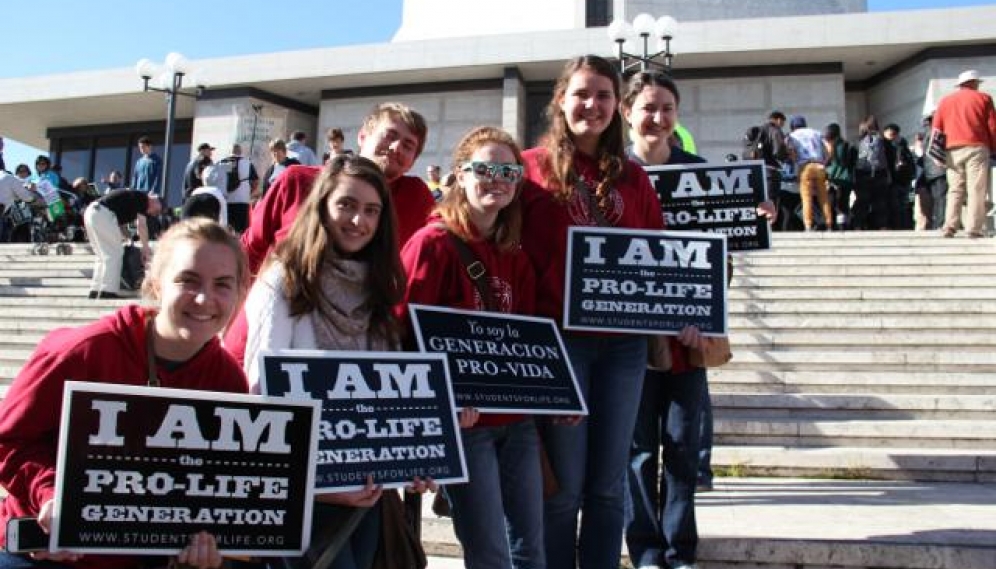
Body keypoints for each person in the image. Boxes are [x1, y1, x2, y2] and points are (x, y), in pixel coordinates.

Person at [0, 218, 249, 569]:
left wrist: (205, 537)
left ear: (241, 292)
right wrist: (53, 495)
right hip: (48, 552)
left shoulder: (228, 380)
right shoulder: (81, 350)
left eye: (223, 284)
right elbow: (10, 439)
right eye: (187, 280)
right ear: (156, 284)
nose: (204, 298)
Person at [242, 155, 429, 569]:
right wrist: (314, 486)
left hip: (366, 488)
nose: (358, 220)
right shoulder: (284, 279)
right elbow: (261, 390)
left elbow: (392, 390)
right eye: (346, 204)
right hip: (303, 490)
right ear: (323, 205)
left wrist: (415, 458)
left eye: (371, 210)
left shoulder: (381, 287)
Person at [518, 55, 665, 569]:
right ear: (560, 100)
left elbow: (657, 257)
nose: (592, 105)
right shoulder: (529, 166)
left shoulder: (634, 178)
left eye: (604, 95)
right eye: (582, 94)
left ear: (616, 106)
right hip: (558, 344)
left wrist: (687, 303)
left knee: (607, 486)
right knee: (563, 486)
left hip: (623, 346)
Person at [398, 126, 543, 569]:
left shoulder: (515, 255)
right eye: (484, 168)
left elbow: (528, 336)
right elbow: (405, 337)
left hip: (516, 422)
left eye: (507, 171)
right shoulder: (432, 244)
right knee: (490, 554)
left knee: (531, 551)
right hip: (465, 425)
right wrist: (435, 412)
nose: (496, 179)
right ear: (459, 175)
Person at [933, 69, 996, 238]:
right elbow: (992, 126)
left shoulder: (945, 101)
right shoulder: (984, 98)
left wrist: (936, 155)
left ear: (960, 85)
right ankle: (973, 228)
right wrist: (993, 148)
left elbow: (937, 129)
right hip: (977, 146)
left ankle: (949, 226)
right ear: (974, 83)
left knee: (955, 188)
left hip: (952, 149)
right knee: (976, 188)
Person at [82, 189, 161, 299]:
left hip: (92, 212)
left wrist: (127, 238)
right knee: (114, 254)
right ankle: (108, 292)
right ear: (153, 200)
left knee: (103, 255)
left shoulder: (132, 198)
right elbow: (141, 226)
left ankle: (96, 290)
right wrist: (145, 248)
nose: (152, 214)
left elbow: (119, 223)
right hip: (102, 213)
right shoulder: (143, 199)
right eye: (156, 211)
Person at [786, 115, 833, 232]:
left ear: (793, 126)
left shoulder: (792, 136)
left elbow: (791, 151)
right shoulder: (816, 132)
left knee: (806, 197)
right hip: (819, 165)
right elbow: (829, 147)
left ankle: (808, 225)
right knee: (823, 197)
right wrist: (825, 161)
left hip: (805, 166)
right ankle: (829, 224)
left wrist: (795, 161)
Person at [852, 115, 891, 230]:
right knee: (880, 201)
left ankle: (858, 224)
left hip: (862, 174)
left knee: (862, 200)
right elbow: (890, 158)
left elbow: (852, 160)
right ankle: (882, 225)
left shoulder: (857, 142)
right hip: (880, 174)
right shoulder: (883, 141)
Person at [915, 113, 948, 230]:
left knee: (937, 198)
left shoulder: (924, 134)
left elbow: (919, 154)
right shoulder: (936, 132)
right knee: (941, 198)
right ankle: (940, 223)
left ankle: (938, 223)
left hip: (930, 172)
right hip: (939, 169)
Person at [882, 123, 916, 230]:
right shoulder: (898, 145)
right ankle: (900, 226)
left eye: (893, 134)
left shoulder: (900, 146)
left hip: (898, 180)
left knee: (899, 206)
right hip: (898, 180)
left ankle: (901, 226)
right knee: (899, 206)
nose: (892, 137)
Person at [823, 123, 855, 230]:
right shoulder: (848, 145)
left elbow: (835, 163)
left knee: (835, 205)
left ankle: (837, 226)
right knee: (843, 204)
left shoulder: (835, 146)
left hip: (836, 180)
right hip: (846, 180)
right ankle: (844, 226)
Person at [220, 143, 258, 232]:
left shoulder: (221, 163)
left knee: (227, 228)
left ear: (230, 151)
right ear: (240, 151)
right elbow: (255, 181)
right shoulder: (247, 163)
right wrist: (249, 192)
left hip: (226, 200)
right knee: (241, 229)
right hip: (242, 200)